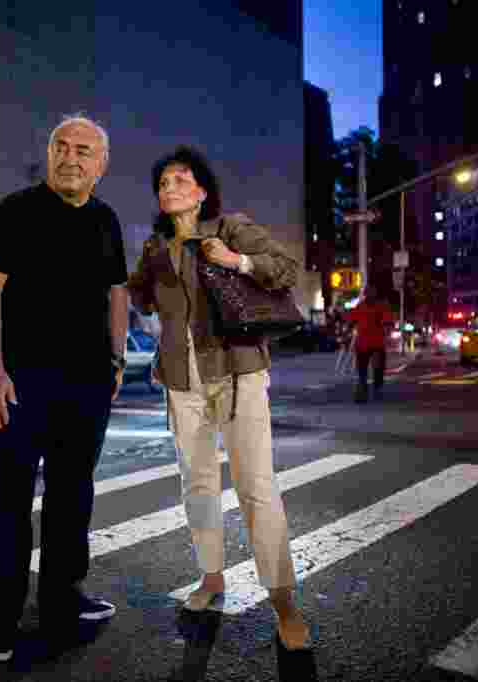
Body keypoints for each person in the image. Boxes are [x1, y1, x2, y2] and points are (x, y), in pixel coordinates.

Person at [127, 146, 311, 651]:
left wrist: (236, 260)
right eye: (163, 183)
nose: (170, 188)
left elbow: (285, 268)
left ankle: (283, 602)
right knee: (198, 485)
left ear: (202, 191)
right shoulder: (155, 249)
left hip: (238, 373)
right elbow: (138, 294)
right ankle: (212, 577)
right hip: (181, 381)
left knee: (257, 487)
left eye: (180, 180)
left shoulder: (230, 228)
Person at [0, 114, 128, 663]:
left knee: (71, 500)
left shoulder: (106, 221)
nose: (71, 157)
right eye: (62, 146)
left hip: (85, 387)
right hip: (19, 384)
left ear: (101, 165)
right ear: (49, 152)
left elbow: (116, 291)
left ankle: (62, 602)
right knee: (8, 505)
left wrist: (116, 357)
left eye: (84, 150)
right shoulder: (17, 211)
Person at [345, 284, 395, 403]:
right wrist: (347, 333)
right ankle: (363, 390)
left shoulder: (381, 306)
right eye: (367, 293)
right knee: (362, 369)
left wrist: (387, 331)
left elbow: (388, 322)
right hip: (363, 343)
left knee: (378, 368)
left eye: (371, 292)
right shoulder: (361, 306)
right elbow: (351, 321)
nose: (369, 295)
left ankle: (375, 389)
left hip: (377, 343)